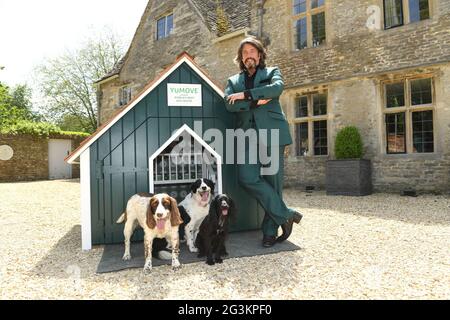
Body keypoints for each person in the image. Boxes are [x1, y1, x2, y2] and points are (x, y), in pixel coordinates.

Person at [224, 36, 303, 248]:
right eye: (245, 53)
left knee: (273, 183)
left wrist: (245, 96)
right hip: (246, 137)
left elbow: (276, 89)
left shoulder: (272, 73)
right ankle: (286, 214)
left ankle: (269, 232)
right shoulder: (233, 82)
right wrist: (255, 100)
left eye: (252, 51)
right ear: (240, 58)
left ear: (260, 55)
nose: (249, 55)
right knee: (246, 177)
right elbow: (229, 104)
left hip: (273, 135)